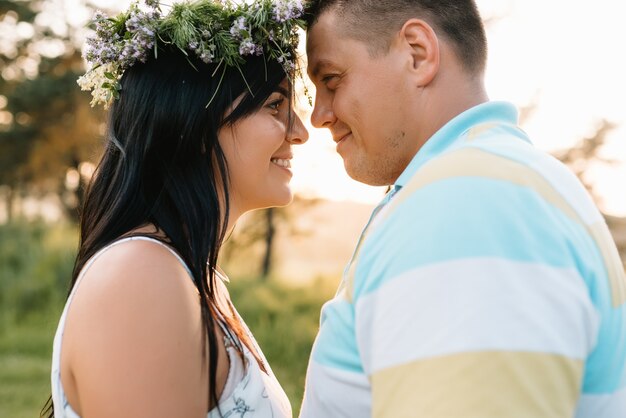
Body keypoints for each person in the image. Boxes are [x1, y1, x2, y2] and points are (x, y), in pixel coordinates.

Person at [301, 1, 626, 417]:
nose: (318, 116)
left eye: (331, 79)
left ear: (417, 53)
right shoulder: (498, 181)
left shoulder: (466, 201)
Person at [43, 1, 308, 417]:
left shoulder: (190, 276)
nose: (301, 132)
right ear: (195, 122)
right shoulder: (139, 276)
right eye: (275, 105)